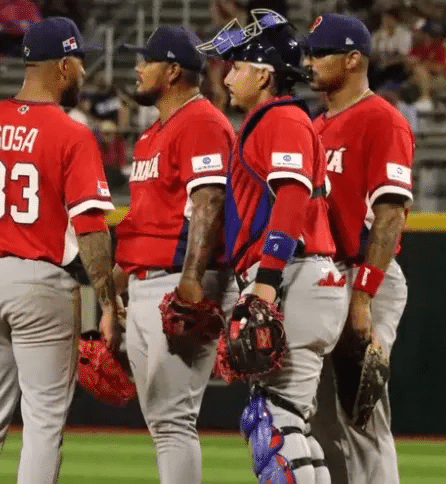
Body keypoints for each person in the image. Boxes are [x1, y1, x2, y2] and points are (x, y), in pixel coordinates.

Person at [0, 17, 119, 484]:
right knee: (42, 420)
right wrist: (107, 299)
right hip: (40, 282)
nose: (83, 70)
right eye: (79, 60)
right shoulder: (71, 133)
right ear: (62, 64)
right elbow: (92, 227)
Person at [198, 9, 347, 483]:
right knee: (287, 421)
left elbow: (292, 197)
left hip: (294, 275)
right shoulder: (271, 119)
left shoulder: (281, 118)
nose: (228, 75)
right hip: (301, 276)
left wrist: (265, 281)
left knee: (275, 424)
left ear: (263, 74)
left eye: (237, 66)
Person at [112, 25, 235, 484]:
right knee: (162, 421)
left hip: (178, 282)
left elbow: (210, 203)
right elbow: (147, 220)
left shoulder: (202, 121)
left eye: (147, 61)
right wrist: (114, 292)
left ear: (174, 70)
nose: (138, 68)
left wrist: (191, 280)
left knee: (173, 418)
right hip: (145, 282)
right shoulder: (151, 136)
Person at [303, 14, 414, 484]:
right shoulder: (314, 125)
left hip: (365, 274)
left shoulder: (382, 119)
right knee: (322, 421)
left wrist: (364, 296)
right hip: (323, 276)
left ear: (353, 59)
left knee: (362, 415)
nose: (309, 62)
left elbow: (390, 214)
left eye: (320, 53)